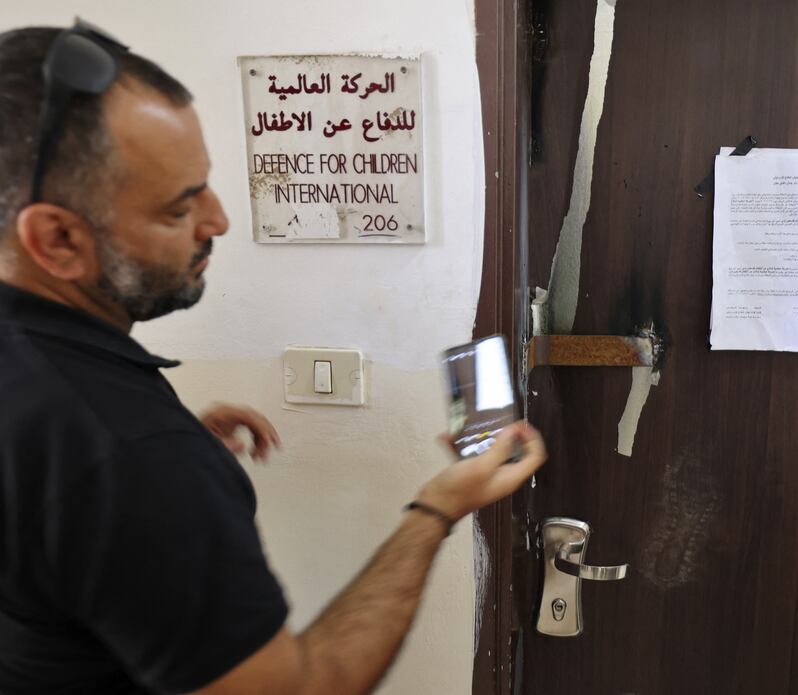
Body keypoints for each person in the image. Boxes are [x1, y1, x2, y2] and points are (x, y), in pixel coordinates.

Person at [0, 20, 546, 694]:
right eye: (179, 207)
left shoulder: (89, 430)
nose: (220, 219)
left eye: (205, 183)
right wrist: (437, 507)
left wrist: (141, 463)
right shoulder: (129, 456)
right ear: (56, 238)